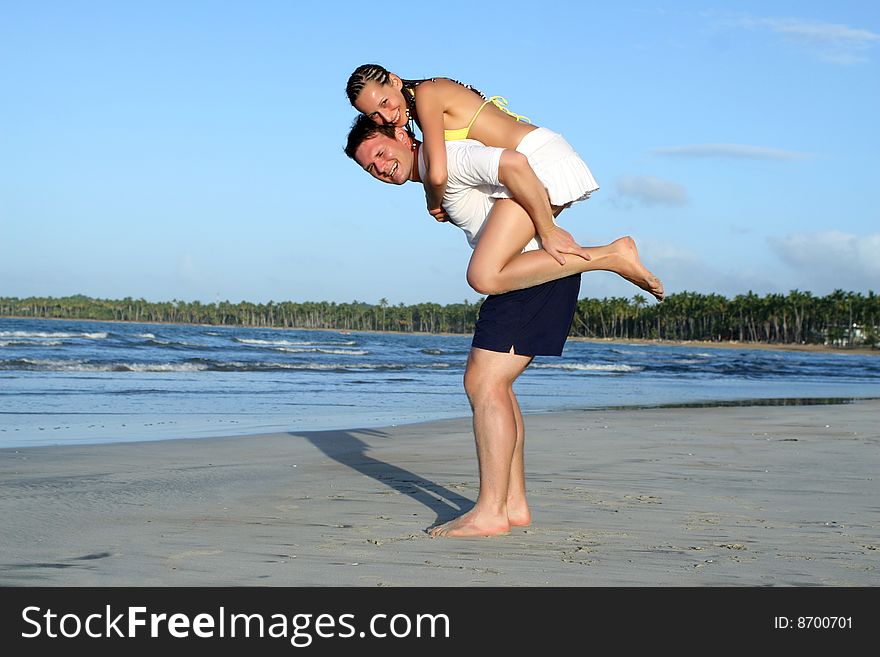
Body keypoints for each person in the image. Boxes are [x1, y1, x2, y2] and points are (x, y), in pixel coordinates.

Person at [344, 115, 663, 537]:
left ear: (403, 135)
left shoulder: (452, 159)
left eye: (382, 153)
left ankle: (492, 510)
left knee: (485, 385)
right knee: (494, 386)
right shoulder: (436, 175)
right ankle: (512, 504)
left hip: (534, 277)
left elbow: (514, 163)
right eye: (371, 167)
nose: (381, 167)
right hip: (531, 276)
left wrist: (549, 229)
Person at [344, 64, 661, 300]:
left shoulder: (428, 93)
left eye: (384, 103)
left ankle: (612, 255)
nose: (385, 116)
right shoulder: (415, 109)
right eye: (373, 115)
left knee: (484, 275)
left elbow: (437, 172)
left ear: (396, 81)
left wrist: (434, 203)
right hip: (523, 171)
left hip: (537, 162)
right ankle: (604, 259)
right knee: (499, 266)